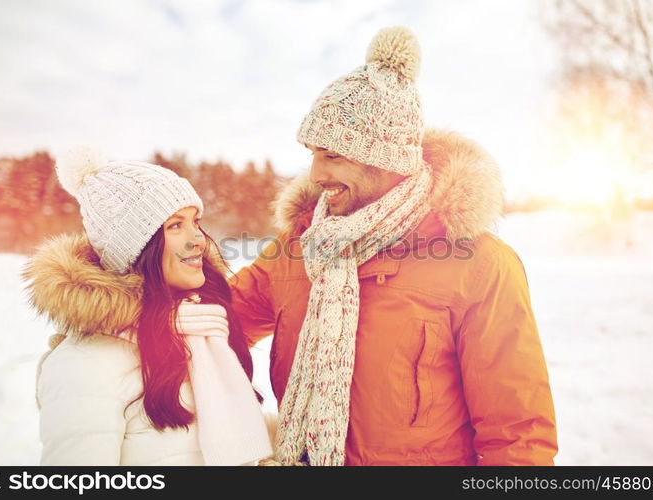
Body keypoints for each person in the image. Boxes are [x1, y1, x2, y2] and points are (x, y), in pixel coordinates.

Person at [229, 26, 558, 465]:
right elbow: (214, 317)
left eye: (332, 155)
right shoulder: (300, 247)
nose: (315, 174)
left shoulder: (479, 265)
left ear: (385, 159)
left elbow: (517, 434)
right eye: (312, 154)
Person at [23, 147, 272, 465]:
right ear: (137, 249)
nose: (199, 239)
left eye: (196, 221)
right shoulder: (87, 363)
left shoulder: (204, 333)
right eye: (175, 226)